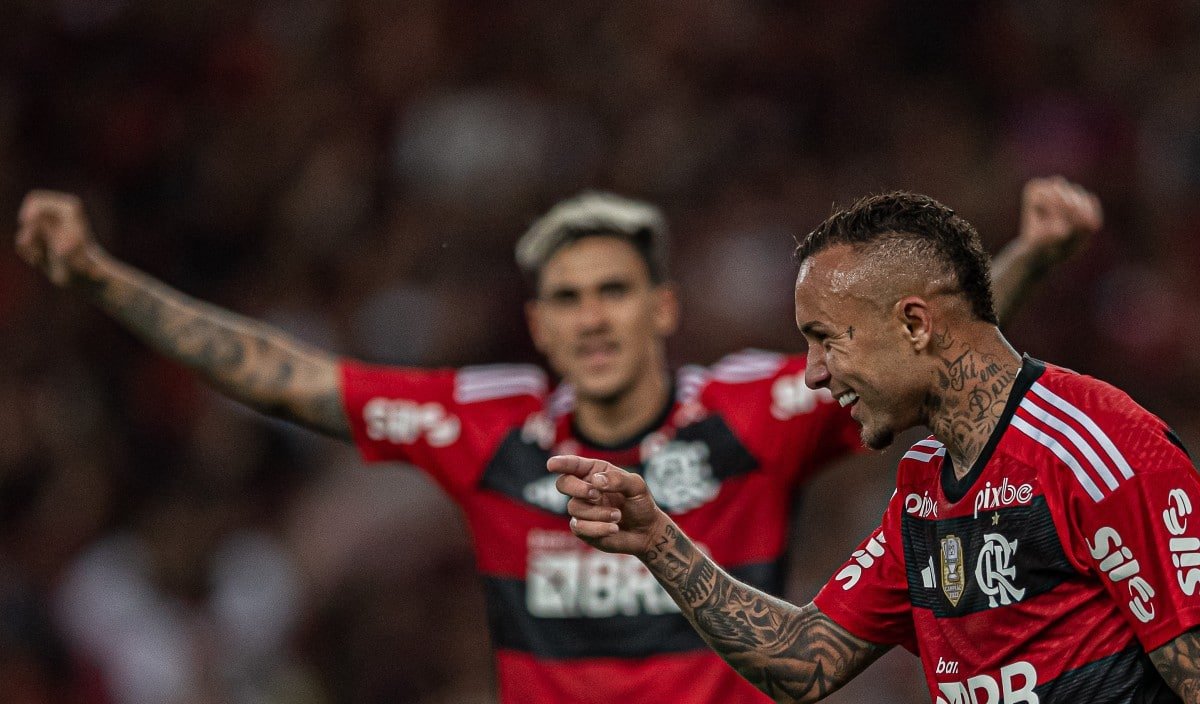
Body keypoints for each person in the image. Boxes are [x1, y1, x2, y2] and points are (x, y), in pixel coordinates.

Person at [15, 179, 1096, 704]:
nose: (592, 315)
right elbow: (285, 376)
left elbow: (925, 346)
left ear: (662, 306)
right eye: (567, 296)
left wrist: (1034, 251)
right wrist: (103, 279)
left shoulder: (755, 408)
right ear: (537, 323)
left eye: (616, 290)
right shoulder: (484, 424)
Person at [549, 186, 1200, 703]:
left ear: (915, 323)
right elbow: (804, 660)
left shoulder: (1096, 450)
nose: (812, 372)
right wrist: (657, 540)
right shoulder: (923, 487)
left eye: (826, 337)